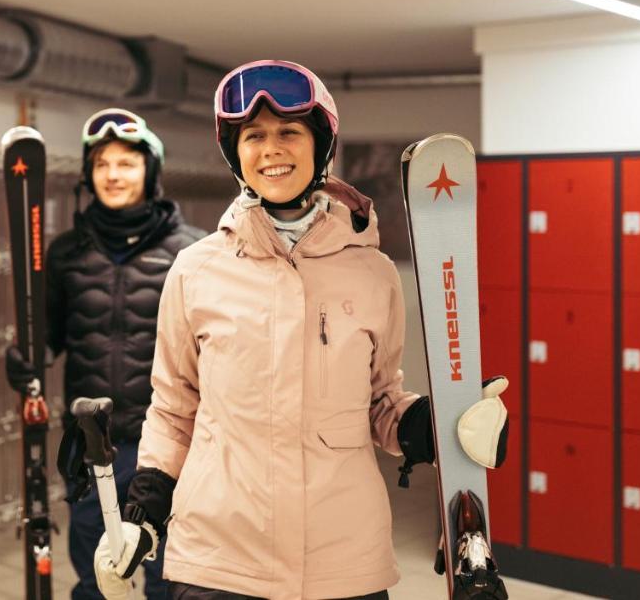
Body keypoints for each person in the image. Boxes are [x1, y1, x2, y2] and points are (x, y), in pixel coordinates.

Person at [91, 60, 510, 600]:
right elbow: (174, 410)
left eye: (289, 132)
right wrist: (142, 514)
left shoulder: (372, 273)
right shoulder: (196, 269)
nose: (272, 149)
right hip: (219, 560)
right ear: (235, 152)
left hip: (342, 560)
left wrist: (434, 426)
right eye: (254, 136)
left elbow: (380, 401)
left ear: (320, 145)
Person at [6, 107, 206, 600]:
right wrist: (26, 357)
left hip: (172, 439)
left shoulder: (194, 252)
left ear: (150, 172)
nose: (113, 175)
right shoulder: (67, 251)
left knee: (170, 572)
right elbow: (49, 334)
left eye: (126, 163)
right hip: (92, 440)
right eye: (102, 165)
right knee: (95, 570)